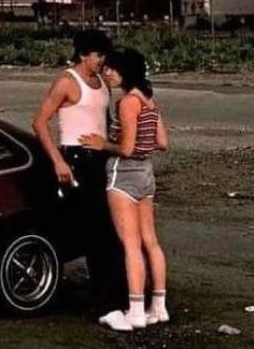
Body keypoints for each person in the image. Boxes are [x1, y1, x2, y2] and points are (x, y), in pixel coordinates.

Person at [32, 29, 130, 331]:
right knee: (100, 233)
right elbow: (39, 122)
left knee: (113, 230)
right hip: (77, 159)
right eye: (98, 55)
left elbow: (105, 122)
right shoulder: (67, 82)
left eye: (104, 55)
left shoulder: (101, 83)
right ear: (84, 54)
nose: (102, 61)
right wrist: (58, 160)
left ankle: (120, 300)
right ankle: (107, 305)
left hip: (101, 159)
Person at [80, 48, 170, 330]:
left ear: (126, 71)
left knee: (130, 245)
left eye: (113, 69)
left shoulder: (127, 102)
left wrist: (102, 144)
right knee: (151, 242)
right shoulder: (148, 99)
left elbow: (127, 148)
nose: (107, 73)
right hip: (146, 173)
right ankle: (158, 306)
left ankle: (134, 309)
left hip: (124, 175)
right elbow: (162, 141)